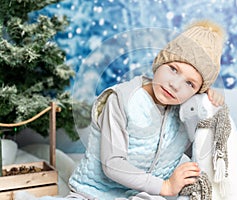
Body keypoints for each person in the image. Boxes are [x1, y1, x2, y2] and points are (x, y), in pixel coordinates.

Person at [68, 20, 226, 200]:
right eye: (173, 69)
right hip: (93, 192)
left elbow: (203, 149)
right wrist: (165, 186)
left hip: (143, 195)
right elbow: (112, 164)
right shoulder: (121, 99)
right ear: (160, 62)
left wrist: (207, 103)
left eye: (190, 83)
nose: (174, 85)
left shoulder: (186, 110)